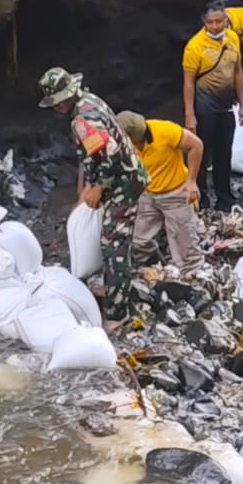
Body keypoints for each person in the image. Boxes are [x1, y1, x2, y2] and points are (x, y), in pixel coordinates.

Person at [39, 67, 148, 329]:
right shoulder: (89, 101)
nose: (55, 109)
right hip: (123, 177)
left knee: (115, 247)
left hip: (123, 183)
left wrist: (100, 186)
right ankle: (111, 289)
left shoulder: (83, 121)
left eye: (56, 104)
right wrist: (90, 186)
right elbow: (96, 156)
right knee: (110, 237)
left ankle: (117, 313)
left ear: (65, 99)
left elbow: (109, 153)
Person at [117, 111, 205, 272]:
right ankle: (157, 269)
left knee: (186, 250)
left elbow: (196, 145)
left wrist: (191, 181)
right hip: (148, 193)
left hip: (175, 193)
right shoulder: (120, 143)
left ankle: (195, 282)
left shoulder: (164, 131)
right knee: (138, 241)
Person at [181, 5, 243, 212]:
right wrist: (190, 115)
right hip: (204, 108)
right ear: (204, 23)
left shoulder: (233, 39)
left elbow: (237, 72)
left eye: (219, 21)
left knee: (224, 154)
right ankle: (201, 198)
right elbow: (189, 83)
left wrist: (242, 104)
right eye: (211, 22)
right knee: (202, 152)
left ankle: (224, 198)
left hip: (226, 107)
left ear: (226, 20)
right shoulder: (195, 46)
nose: (216, 26)